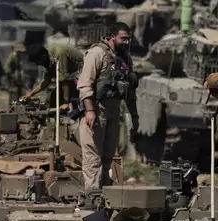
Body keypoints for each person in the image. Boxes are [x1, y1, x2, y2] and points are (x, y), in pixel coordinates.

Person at [77, 22, 139, 190]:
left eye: (128, 39)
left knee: (108, 157)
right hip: (97, 111)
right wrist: (90, 110)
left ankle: (104, 193)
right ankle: (92, 196)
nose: (127, 42)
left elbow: (130, 90)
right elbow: (84, 85)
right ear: (112, 37)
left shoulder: (125, 58)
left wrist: (134, 116)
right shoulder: (97, 54)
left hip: (114, 111)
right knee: (93, 158)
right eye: (123, 38)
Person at [22, 43, 84, 111]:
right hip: (71, 77)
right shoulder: (47, 59)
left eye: (37, 62)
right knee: (52, 98)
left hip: (81, 74)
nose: (38, 64)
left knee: (71, 101)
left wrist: (66, 102)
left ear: (43, 56)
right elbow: (46, 81)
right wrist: (31, 94)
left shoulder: (59, 54)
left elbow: (64, 81)